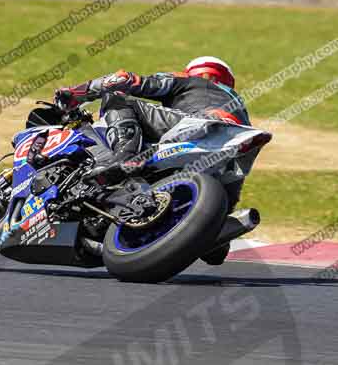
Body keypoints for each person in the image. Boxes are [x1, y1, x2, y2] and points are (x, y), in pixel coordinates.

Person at [55, 56, 255, 265]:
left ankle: (126, 156)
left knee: (116, 97)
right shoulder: (241, 109)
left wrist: (76, 93)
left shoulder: (193, 81)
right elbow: (228, 196)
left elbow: (124, 80)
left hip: (200, 125)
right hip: (229, 154)